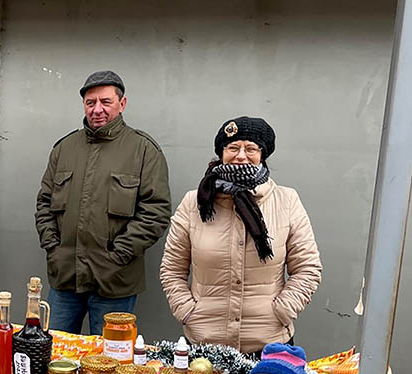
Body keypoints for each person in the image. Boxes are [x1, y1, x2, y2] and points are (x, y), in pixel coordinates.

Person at [159, 116, 322, 355]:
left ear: (263, 154)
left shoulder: (286, 201)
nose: (241, 156)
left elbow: (308, 268)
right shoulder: (194, 202)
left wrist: (282, 311)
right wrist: (187, 311)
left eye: (251, 149)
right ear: (221, 153)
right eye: (233, 148)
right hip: (204, 344)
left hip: (269, 345)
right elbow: (172, 268)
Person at [35, 70, 171, 335]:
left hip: (115, 282)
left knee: (110, 355)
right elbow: (44, 203)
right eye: (90, 102)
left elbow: (155, 211)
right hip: (65, 279)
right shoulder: (64, 148)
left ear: (122, 103)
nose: (97, 109)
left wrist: (118, 257)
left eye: (105, 101)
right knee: (54, 351)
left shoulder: (143, 150)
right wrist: (53, 248)